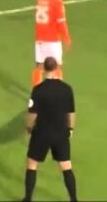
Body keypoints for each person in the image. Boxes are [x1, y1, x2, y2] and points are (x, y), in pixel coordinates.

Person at [24, 56, 78, 202]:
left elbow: (32, 114)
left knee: (32, 164)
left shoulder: (38, 90)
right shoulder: (67, 89)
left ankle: (28, 199)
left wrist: (29, 128)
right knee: (66, 166)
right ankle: (73, 199)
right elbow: (71, 113)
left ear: (43, 68)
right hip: (61, 133)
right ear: (57, 68)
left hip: (41, 133)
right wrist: (70, 129)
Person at [33, 0, 71, 86]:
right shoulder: (58, 2)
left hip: (39, 38)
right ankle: (56, 92)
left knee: (39, 66)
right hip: (52, 40)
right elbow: (61, 22)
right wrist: (67, 38)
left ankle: (35, 94)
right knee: (56, 67)